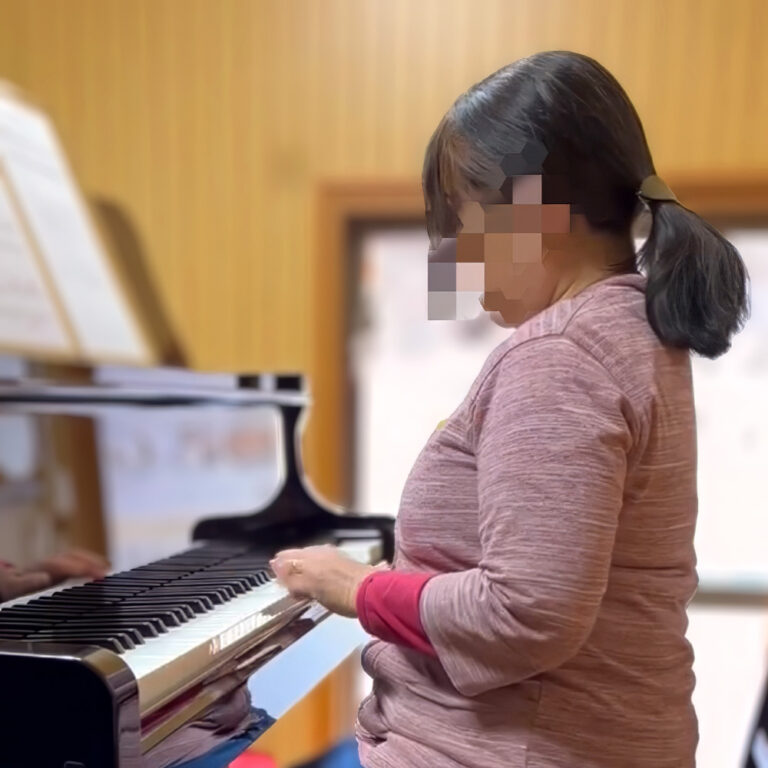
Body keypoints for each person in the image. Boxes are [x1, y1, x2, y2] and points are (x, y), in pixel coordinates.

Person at [271, 50, 749, 768]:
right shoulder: (631, 330)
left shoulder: (560, 355)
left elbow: (526, 615)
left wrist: (356, 586)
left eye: (461, 226)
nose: (455, 260)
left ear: (533, 212)